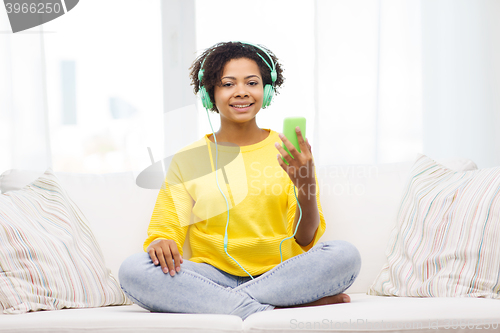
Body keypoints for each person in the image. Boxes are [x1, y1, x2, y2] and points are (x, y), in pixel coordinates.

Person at [119, 41, 361, 320]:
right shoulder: (188, 159)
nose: (242, 92)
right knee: (134, 269)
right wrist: (160, 242)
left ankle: (232, 305)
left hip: (281, 274)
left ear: (266, 91)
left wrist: (306, 186)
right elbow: (165, 231)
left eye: (252, 82)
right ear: (210, 94)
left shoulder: (289, 151)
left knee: (345, 254)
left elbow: (305, 239)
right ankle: (274, 309)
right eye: (228, 84)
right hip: (211, 278)